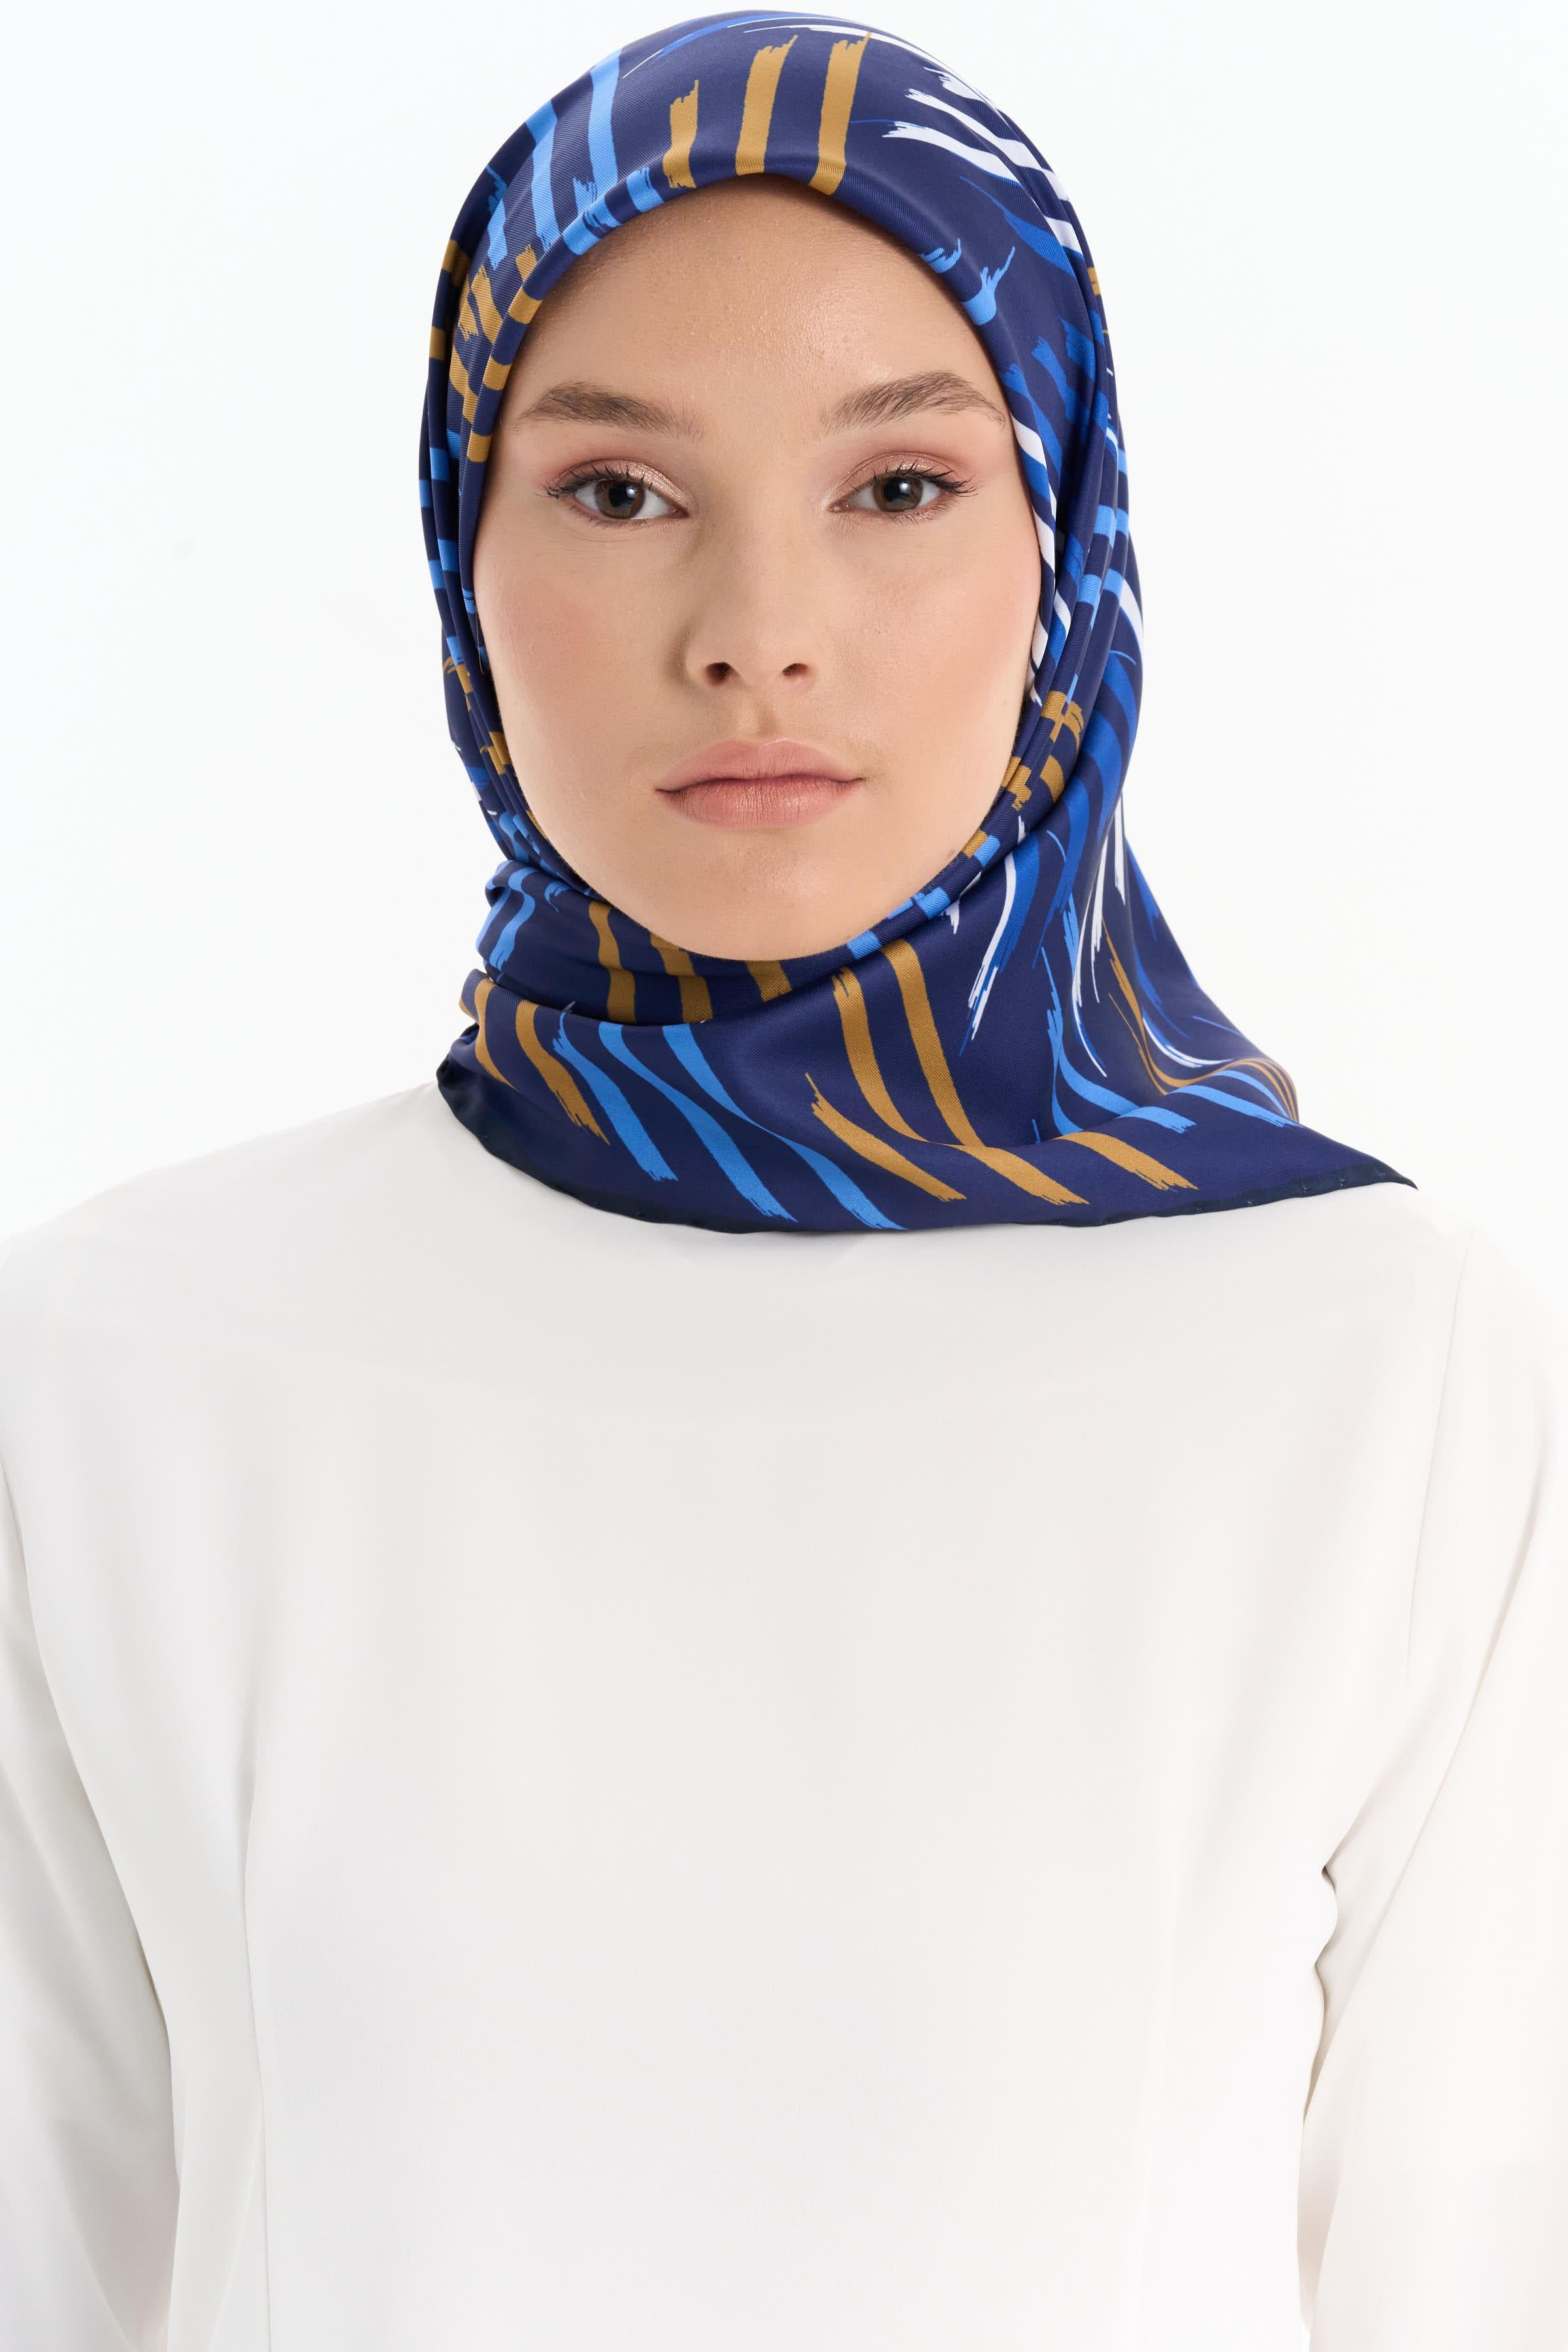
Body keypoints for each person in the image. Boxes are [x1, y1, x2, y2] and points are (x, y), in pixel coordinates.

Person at [1, 10, 1563, 2345]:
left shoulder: (1377, 1370)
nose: (758, 635)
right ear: (462, 543)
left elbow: (1475, 2270)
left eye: (900, 487)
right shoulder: (124, 1365)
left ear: (1066, 538)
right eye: (620, 493)